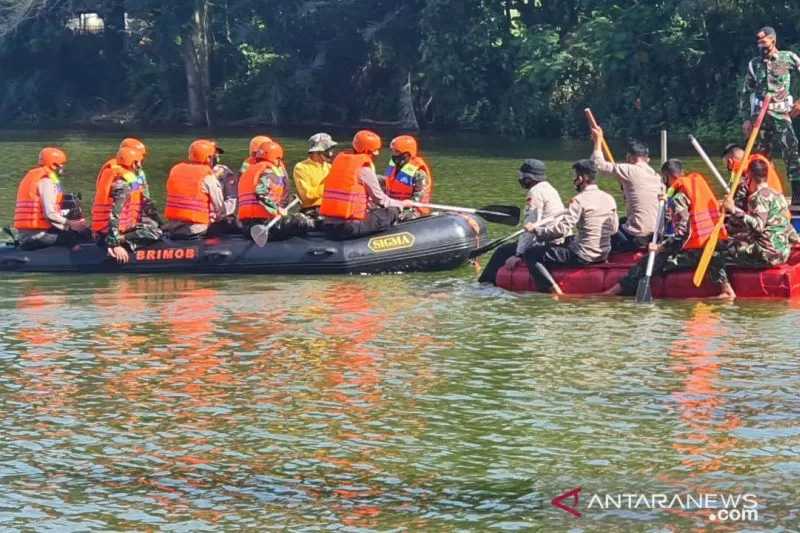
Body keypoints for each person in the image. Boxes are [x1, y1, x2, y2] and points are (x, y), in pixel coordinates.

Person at [604, 159, 734, 299]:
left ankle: (615, 291)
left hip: (697, 250)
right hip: (715, 245)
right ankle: (726, 288)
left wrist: (660, 247)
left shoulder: (679, 198)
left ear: (666, 177)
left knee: (651, 261)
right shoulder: (699, 188)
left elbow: (682, 234)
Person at [520, 159, 619, 292]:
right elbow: (614, 228)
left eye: (575, 176)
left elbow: (562, 230)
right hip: (604, 253)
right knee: (569, 241)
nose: (573, 180)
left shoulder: (579, 200)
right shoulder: (609, 198)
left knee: (531, 254)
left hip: (582, 256)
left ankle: (553, 290)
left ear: (581, 178)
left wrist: (536, 230)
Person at [478, 159, 565, 284]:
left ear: (529, 178)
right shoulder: (550, 188)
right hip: (556, 238)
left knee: (502, 251)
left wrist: (518, 254)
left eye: (522, 176)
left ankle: (485, 285)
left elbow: (530, 226)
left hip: (544, 240)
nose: (520, 179)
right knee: (511, 246)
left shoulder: (535, 192)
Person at [721, 158, 797, 299]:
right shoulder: (778, 196)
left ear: (749, 176)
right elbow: (786, 224)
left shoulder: (757, 197)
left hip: (765, 255)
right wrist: (796, 240)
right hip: (783, 254)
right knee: (736, 239)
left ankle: (726, 290)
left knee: (718, 254)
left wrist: (733, 210)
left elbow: (758, 227)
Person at [740, 26, 800, 205]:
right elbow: (745, 91)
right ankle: (763, 196)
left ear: (772, 40)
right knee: (760, 157)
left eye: (763, 40)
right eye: (758, 41)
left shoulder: (788, 58)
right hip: (760, 117)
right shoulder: (754, 64)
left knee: (792, 153)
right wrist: (745, 119)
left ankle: (797, 198)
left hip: (781, 113)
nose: (760, 44)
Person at [319, 130, 414, 239]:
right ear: (368, 152)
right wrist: (402, 204)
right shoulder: (364, 169)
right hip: (349, 226)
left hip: (328, 223)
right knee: (391, 211)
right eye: (375, 152)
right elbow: (381, 200)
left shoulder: (338, 163)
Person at [590, 128, 662, 252]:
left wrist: (598, 141)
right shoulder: (656, 176)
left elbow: (596, 165)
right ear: (647, 159)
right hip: (656, 233)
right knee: (621, 220)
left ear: (630, 157)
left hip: (637, 236)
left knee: (604, 227)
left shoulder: (630, 169)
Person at [92, 146, 163, 264]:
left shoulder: (122, 178)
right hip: (109, 233)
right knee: (155, 232)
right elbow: (114, 214)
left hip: (113, 229)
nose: (140, 165)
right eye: (138, 162)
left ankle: (121, 238)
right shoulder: (122, 185)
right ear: (133, 163)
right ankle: (122, 241)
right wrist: (114, 244)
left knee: (154, 227)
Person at [12, 147, 89, 250]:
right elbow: (49, 213)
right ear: (54, 165)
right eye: (62, 164)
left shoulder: (38, 176)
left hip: (30, 232)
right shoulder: (46, 181)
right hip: (36, 235)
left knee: (72, 231)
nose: (63, 167)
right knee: (72, 238)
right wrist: (71, 224)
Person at [239, 140, 313, 240]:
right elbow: (260, 193)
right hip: (265, 224)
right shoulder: (268, 172)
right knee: (301, 221)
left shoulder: (249, 171)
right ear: (276, 157)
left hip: (246, 226)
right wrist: (276, 209)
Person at [163, 139, 227, 239]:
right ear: (209, 158)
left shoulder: (175, 170)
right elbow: (220, 208)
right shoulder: (208, 177)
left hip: (173, 227)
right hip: (196, 228)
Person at [382, 135, 434, 221]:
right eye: (393, 151)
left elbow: (419, 195)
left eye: (396, 152)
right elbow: (386, 184)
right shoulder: (394, 167)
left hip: (413, 210)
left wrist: (406, 206)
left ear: (407, 154)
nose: (393, 154)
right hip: (394, 206)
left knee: (403, 216)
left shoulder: (419, 173)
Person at [293, 133, 337, 216]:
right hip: (312, 210)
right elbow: (308, 195)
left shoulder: (330, 167)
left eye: (331, 149)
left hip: (330, 209)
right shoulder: (301, 167)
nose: (331, 153)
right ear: (317, 151)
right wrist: (328, 184)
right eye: (328, 150)